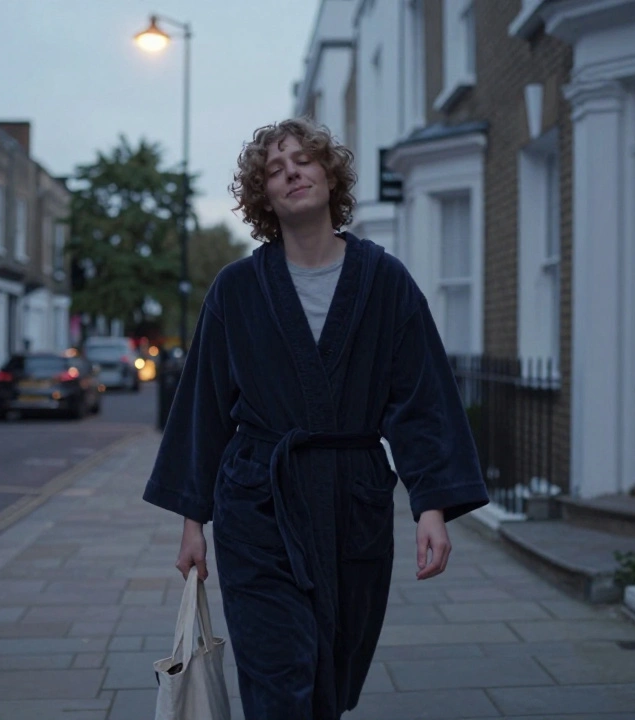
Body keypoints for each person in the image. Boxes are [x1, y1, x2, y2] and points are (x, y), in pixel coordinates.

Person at [143, 117, 488, 719]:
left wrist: (431, 505)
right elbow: (202, 406)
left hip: (352, 503)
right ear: (263, 196)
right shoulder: (237, 289)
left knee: (331, 676)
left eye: (303, 160)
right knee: (279, 678)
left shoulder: (385, 282)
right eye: (274, 170)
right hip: (259, 503)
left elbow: (421, 396)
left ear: (330, 175)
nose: (291, 173)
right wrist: (192, 521)